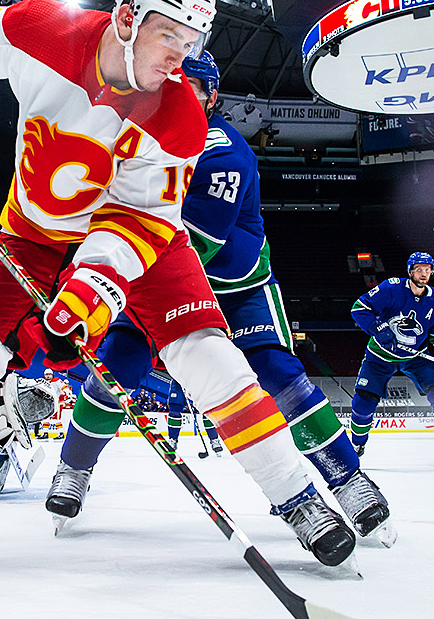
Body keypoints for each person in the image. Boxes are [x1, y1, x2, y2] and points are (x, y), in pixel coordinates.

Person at [0, 0, 356, 570]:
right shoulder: (41, 30)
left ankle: (298, 498)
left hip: (139, 237)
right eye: (171, 36)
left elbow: (139, 220)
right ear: (125, 18)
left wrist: (90, 298)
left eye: (194, 42)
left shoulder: (180, 119)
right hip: (33, 232)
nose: (181, 56)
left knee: (209, 355)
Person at [45, 51, 393, 548]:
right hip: (149, 282)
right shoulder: (131, 134)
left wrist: (104, 271)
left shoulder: (222, 151)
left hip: (234, 287)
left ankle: (347, 480)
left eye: (191, 86)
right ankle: (73, 470)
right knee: (114, 371)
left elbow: (199, 244)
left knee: (277, 376)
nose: (177, 92)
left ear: (209, 97)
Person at [348, 253, 434, 470]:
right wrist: (379, 330)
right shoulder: (391, 288)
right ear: (410, 271)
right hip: (380, 356)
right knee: (362, 403)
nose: (424, 274)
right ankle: (357, 445)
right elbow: (359, 309)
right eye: (419, 269)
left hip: (416, 356)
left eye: (428, 270)